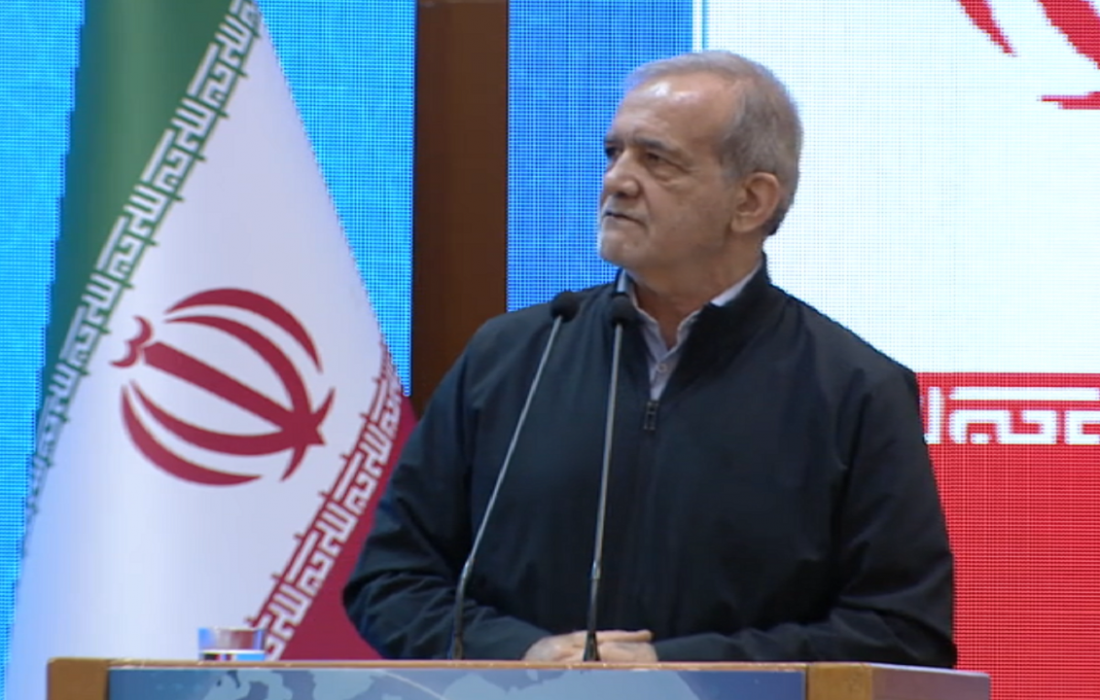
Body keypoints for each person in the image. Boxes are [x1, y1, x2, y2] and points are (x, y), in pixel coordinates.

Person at [343, 50, 956, 666]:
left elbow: (902, 634)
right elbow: (392, 581)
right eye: (614, 153)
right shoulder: (510, 358)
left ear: (751, 201)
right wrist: (522, 655)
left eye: (657, 160)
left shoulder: (854, 390)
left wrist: (680, 670)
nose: (617, 180)